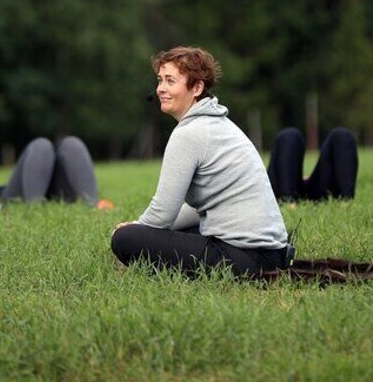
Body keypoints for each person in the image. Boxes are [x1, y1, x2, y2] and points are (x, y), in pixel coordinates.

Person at [111, 46, 292, 277]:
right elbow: (199, 209)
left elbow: (163, 212)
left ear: (196, 88)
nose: (161, 89)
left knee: (125, 239)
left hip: (247, 258)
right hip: (270, 253)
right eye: (160, 80)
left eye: (170, 81)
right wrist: (143, 227)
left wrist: (136, 229)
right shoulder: (217, 124)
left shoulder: (189, 133)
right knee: (176, 230)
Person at [0, 136, 103, 206]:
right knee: (41, 146)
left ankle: (93, 204)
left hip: (55, 192)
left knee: (72, 144)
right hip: (7, 196)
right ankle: (34, 207)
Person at [267, 127, 358, 201]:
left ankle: (346, 199)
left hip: (319, 192)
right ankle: (287, 198)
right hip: (280, 189)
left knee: (341, 136)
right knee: (289, 136)